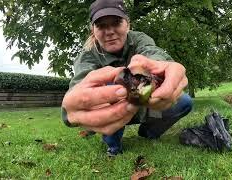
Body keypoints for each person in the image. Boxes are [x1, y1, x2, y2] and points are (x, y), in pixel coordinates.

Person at [61, 0, 193, 156]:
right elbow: (79, 85)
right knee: (106, 88)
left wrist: (161, 67)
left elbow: (152, 52)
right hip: (114, 106)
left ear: (128, 25)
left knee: (185, 102)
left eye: (116, 22)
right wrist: (73, 109)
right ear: (93, 31)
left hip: (147, 104)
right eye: (101, 25)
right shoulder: (87, 55)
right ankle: (113, 146)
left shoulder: (139, 38)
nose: (109, 31)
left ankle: (149, 132)